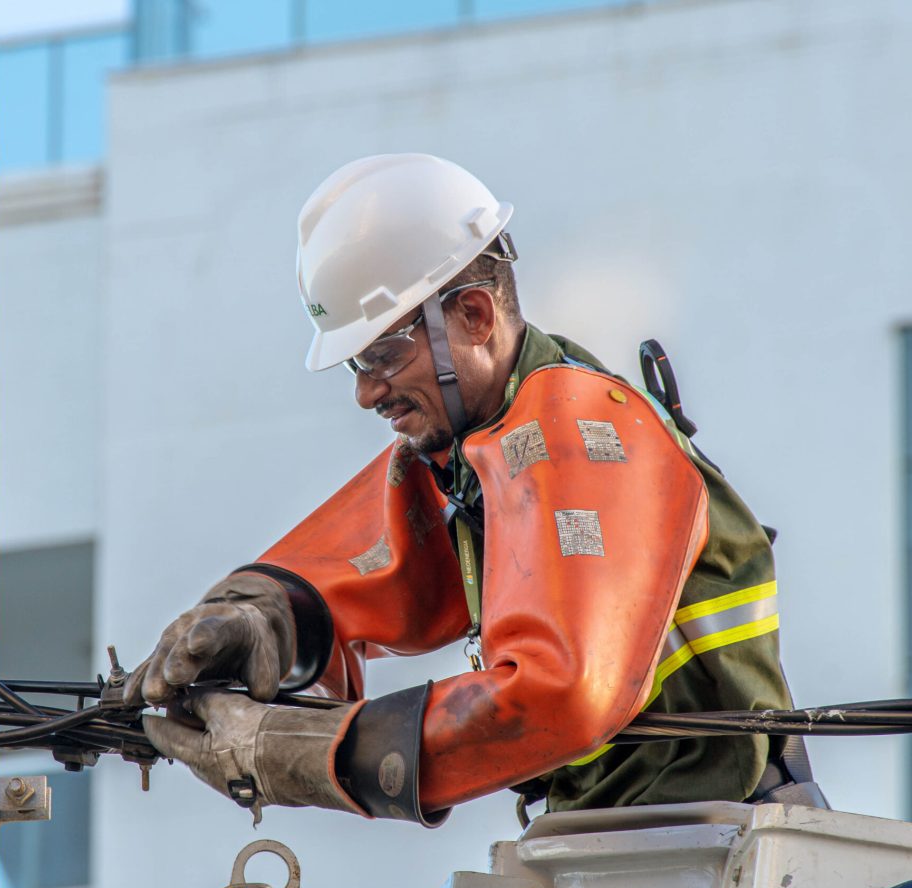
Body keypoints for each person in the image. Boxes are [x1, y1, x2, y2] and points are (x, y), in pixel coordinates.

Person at [126, 153, 818, 827]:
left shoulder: (576, 435)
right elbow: (371, 559)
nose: (368, 392)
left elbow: (561, 694)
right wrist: (260, 615)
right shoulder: (489, 449)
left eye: (382, 354)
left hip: (711, 831)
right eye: (356, 366)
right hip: (626, 832)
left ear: (476, 317)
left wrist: (312, 755)